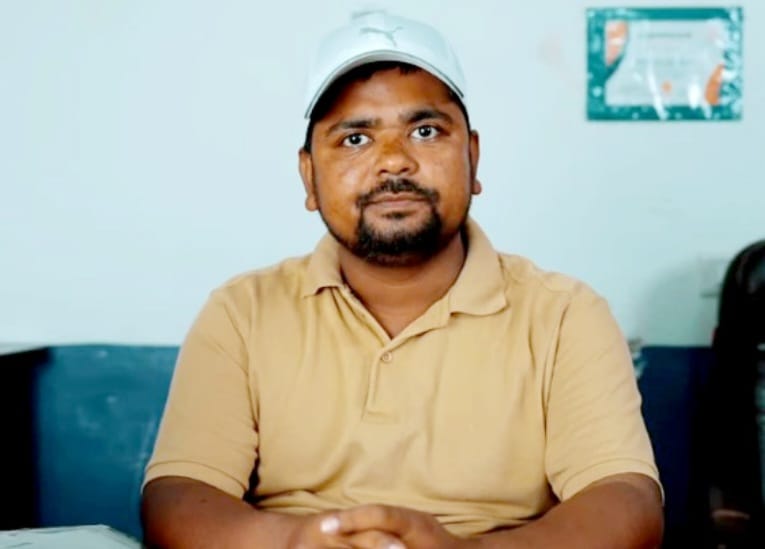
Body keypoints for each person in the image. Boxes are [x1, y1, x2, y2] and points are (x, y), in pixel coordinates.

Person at [141, 10, 663, 548]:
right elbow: (179, 494)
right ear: (309, 177)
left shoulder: (564, 314)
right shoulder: (242, 312)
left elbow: (625, 499)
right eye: (354, 139)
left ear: (473, 158)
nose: (393, 162)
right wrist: (299, 541)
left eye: (425, 131)